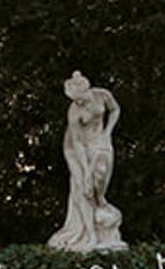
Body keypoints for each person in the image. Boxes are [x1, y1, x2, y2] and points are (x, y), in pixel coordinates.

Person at [49, 70, 125, 252]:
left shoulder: (102, 95)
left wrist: (107, 132)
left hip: (100, 140)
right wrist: (85, 170)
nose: (79, 103)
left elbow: (115, 110)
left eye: (80, 98)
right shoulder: (74, 111)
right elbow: (76, 143)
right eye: (75, 100)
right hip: (76, 150)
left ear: (87, 90)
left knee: (101, 175)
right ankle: (90, 235)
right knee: (84, 185)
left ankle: (100, 200)